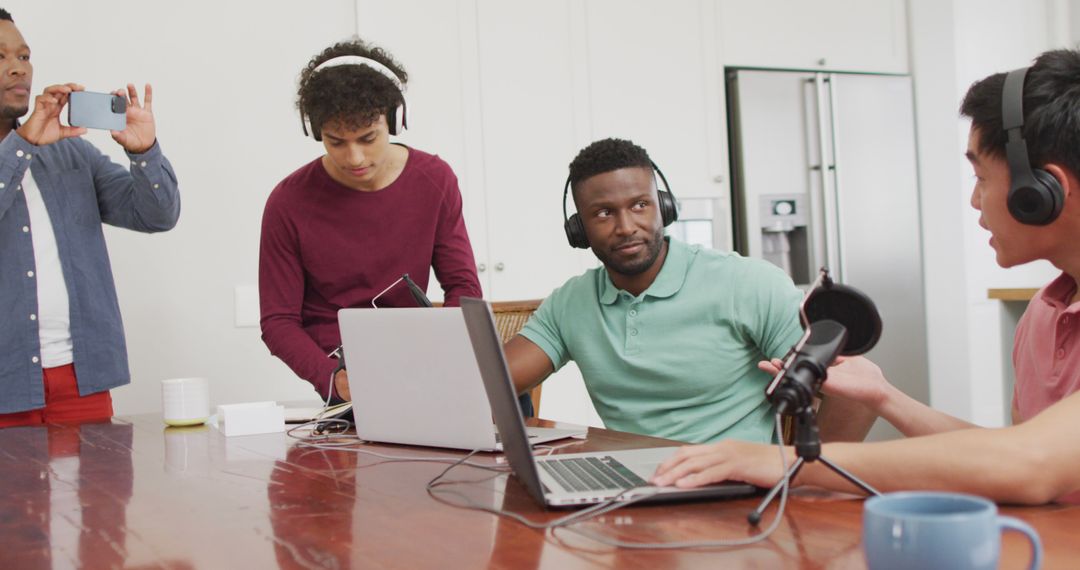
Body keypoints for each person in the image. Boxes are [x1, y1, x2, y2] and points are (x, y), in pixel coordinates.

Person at [653, 48, 1080, 505]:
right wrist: (882, 395)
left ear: (1041, 191)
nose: (975, 201)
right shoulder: (1043, 314)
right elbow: (1010, 458)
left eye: (980, 176)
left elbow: (1027, 464)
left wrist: (781, 461)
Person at [504, 138, 875, 444]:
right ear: (579, 230)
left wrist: (806, 485)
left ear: (664, 207)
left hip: (729, 493)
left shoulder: (745, 284)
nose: (626, 226)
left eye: (639, 205)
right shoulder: (572, 302)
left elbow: (858, 392)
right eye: (603, 214)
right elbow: (494, 381)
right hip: (625, 489)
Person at [259, 39, 482, 404]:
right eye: (336, 142)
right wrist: (333, 380)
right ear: (315, 131)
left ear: (394, 120)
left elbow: (463, 287)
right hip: (345, 376)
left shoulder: (435, 180)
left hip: (423, 363)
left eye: (368, 138)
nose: (355, 157)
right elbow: (278, 321)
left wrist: (445, 357)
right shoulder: (288, 202)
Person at [0, 9, 180, 427]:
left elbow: (157, 215)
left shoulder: (71, 153)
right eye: (2, 56)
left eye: (24, 57)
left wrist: (143, 152)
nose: (16, 68)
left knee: (99, 495)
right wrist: (23, 144)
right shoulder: (32, 144)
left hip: (82, 380)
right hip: (7, 385)